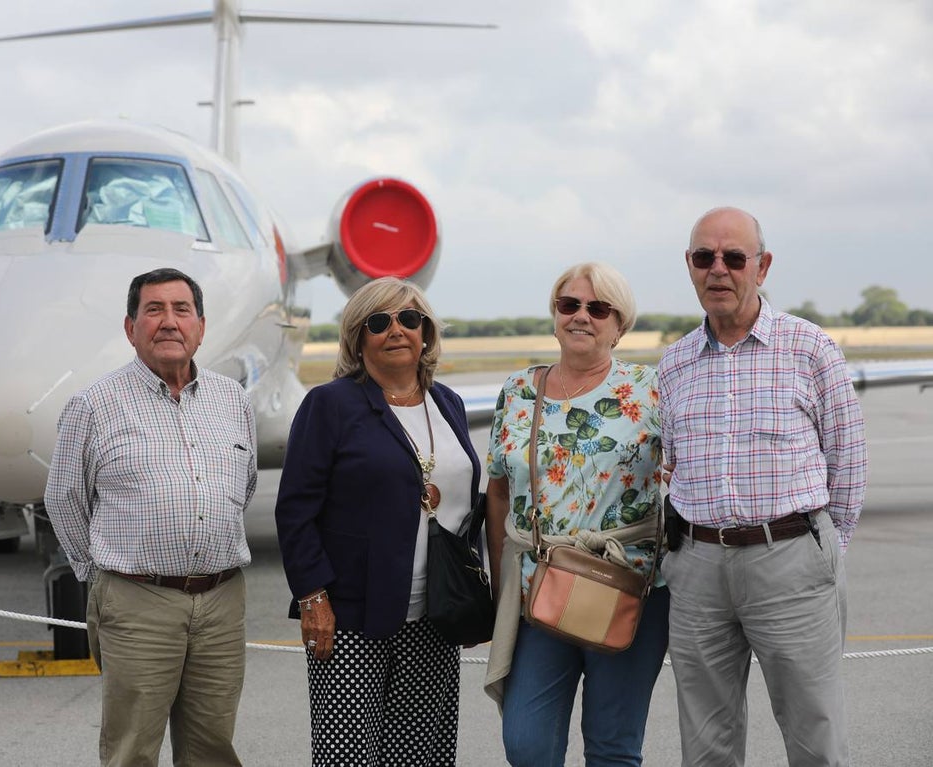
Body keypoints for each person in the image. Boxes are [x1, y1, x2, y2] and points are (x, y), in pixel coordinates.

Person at [659, 207, 868, 767]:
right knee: (705, 745)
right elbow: (670, 465)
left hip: (791, 560)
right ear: (690, 266)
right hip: (698, 568)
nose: (718, 270)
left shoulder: (810, 349)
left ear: (763, 265)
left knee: (813, 736)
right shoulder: (674, 364)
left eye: (734, 258)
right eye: (705, 257)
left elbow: (847, 465)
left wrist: (819, 552)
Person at [45, 267, 257, 767]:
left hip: (222, 601)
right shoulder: (94, 406)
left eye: (181, 310)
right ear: (130, 327)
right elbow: (64, 499)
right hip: (137, 602)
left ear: (201, 327)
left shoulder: (233, 401)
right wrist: (101, 579)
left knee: (212, 749)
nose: (168, 322)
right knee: (131, 752)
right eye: (154, 310)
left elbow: (241, 488)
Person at [275, 276, 482, 766]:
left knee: (419, 756)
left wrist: (470, 595)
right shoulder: (329, 405)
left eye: (409, 319)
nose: (396, 330)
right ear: (357, 336)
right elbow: (295, 509)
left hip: (434, 616)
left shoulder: (447, 403)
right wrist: (313, 596)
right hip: (351, 617)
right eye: (379, 321)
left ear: (426, 333)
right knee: (347, 755)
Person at [483, 262, 670, 767]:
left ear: (619, 324)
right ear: (555, 314)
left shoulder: (653, 390)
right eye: (569, 305)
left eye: (598, 308)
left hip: (628, 588)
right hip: (540, 589)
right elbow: (497, 491)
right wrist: (504, 582)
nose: (581, 316)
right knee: (527, 744)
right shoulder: (519, 390)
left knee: (612, 746)